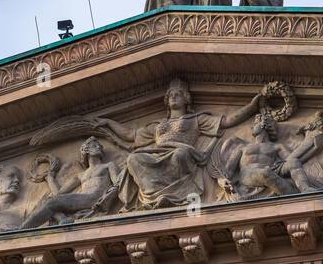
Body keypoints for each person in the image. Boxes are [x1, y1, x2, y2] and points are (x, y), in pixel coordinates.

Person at [95, 79, 265, 210]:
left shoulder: (196, 119)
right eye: (170, 95)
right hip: (157, 153)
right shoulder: (158, 125)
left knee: (179, 154)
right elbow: (130, 135)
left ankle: (172, 195)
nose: (174, 97)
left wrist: (251, 106)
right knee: (133, 158)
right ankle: (153, 197)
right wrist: (108, 122)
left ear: (187, 99)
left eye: (178, 94)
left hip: (182, 153)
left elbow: (227, 121)